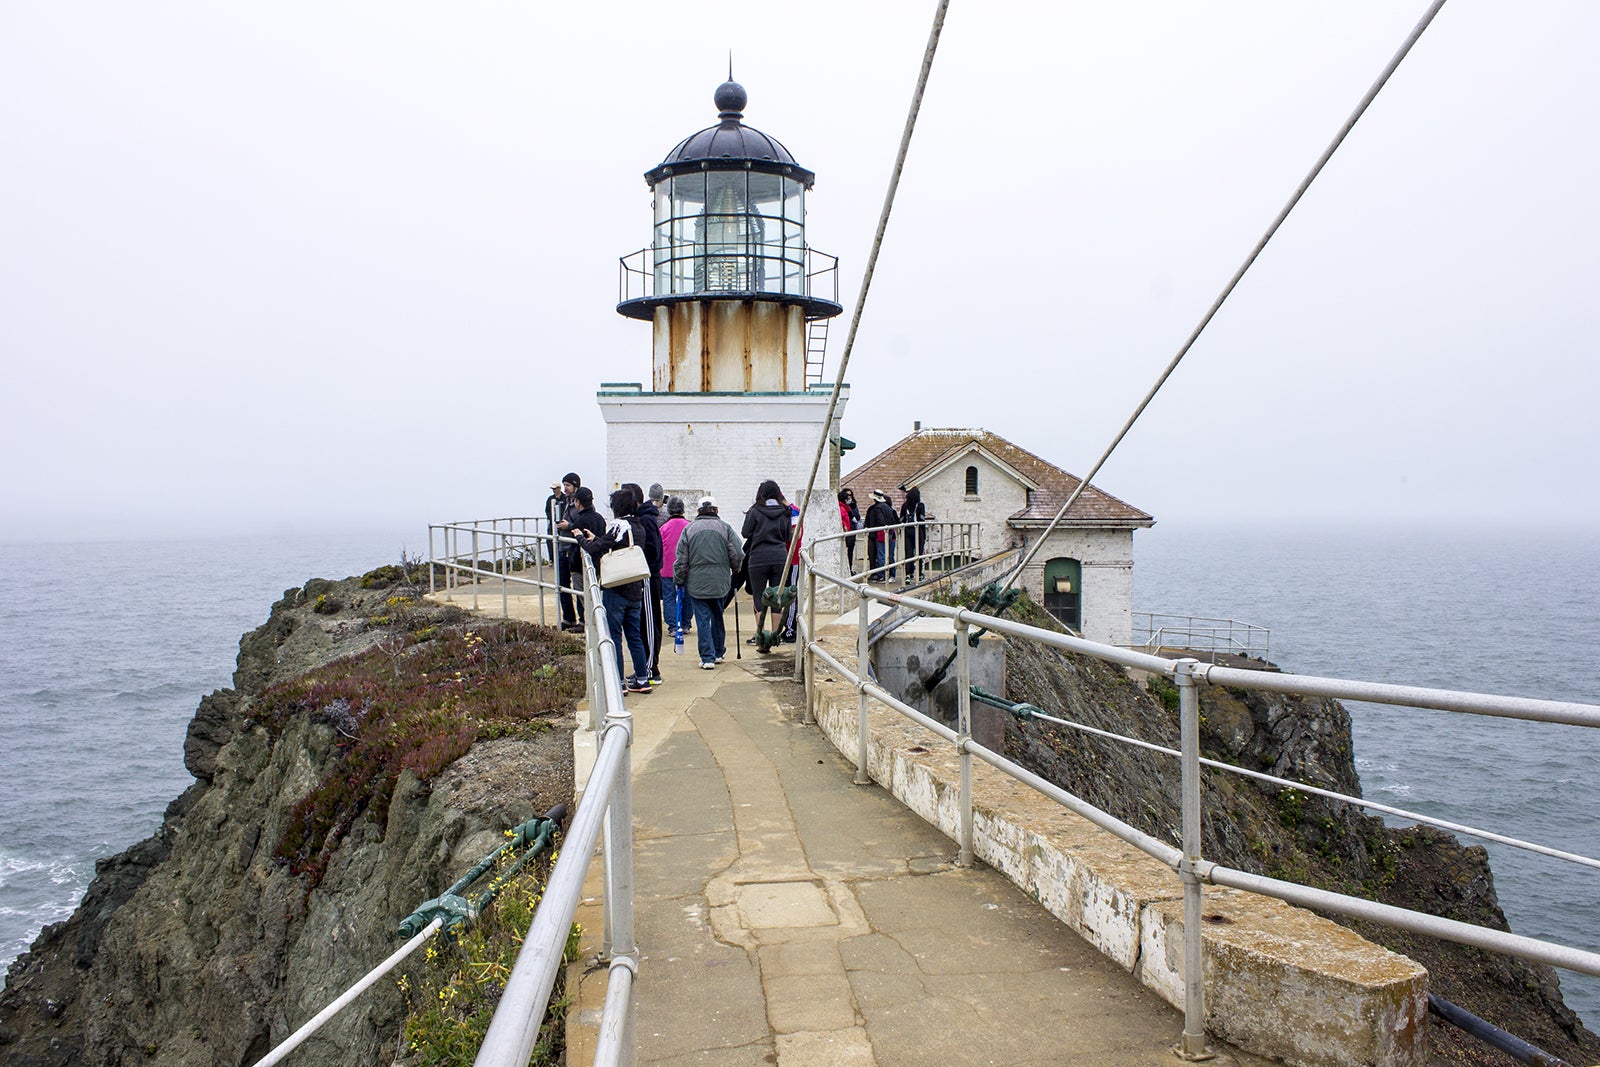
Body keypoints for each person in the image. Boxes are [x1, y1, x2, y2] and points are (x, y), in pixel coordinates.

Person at [575, 488, 653, 693]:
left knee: (615, 636)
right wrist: (597, 538)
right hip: (635, 586)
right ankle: (642, 679)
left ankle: (618, 682)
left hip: (617, 587)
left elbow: (598, 547)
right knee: (634, 635)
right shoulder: (639, 527)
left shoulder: (619, 525)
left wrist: (580, 538)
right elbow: (612, 542)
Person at [675, 496, 744, 669]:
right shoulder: (725, 528)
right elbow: (737, 553)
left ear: (698, 511)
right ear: (716, 510)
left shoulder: (689, 529)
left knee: (702, 619)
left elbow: (682, 559)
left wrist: (679, 579)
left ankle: (707, 657)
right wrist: (735, 569)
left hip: (697, 581)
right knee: (717, 614)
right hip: (720, 580)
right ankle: (719, 651)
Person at [742, 479, 793, 638]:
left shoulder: (755, 511)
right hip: (779, 557)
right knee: (777, 595)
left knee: (759, 595)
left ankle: (760, 633)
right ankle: (775, 633)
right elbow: (787, 536)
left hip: (758, 558)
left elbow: (745, 533)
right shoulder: (785, 512)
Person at [629, 482, 666, 684]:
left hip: (649, 577)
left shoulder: (646, 521)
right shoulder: (645, 519)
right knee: (643, 623)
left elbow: (653, 550)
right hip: (645, 576)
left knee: (650, 624)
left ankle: (652, 669)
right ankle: (644, 667)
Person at [552, 473, 584, 630]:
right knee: (562, 584)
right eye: (564, 485)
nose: (565, 488)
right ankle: (569, 618)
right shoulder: (563, 502)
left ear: (576, 486)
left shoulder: (579, 504)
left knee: (578, 585)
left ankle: (582, 619)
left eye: (568, 485)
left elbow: (584, 523)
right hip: (562, 546)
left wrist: (568, 527)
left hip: (572, 548)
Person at [658, 496, 691, 637]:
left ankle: (672, 626)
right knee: (687, 596)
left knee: (669, 597)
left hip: (667, 568)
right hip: (686, 567)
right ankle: (685, 624)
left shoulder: (663, 528)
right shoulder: (689, 526)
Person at [864, 489, 898, 583]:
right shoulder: (888, 507)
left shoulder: (876, 508)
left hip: (881, 534)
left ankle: (882, 576)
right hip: (891, 533)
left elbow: (880, 521)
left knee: (881, 555)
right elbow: (894, 520)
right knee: (890, 556)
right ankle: (892, 575)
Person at [898, 484, 926, 583]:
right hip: (917, 530)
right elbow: (922, 520)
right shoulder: (920, 505)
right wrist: (924, 534)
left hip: (907, 531)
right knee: (919, 553)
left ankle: (908, 575)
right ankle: (919, 574)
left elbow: (901, 519)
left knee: (908, 553)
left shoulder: (904, 505)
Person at [838, 488, 861, 570]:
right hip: (847, 530)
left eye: (851, 495)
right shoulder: (841, 507)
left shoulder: (852, 506)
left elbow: (857, 516)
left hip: (852, 530)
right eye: (847, 495)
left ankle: (850, 567)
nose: (850, 498)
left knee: (850, 550)